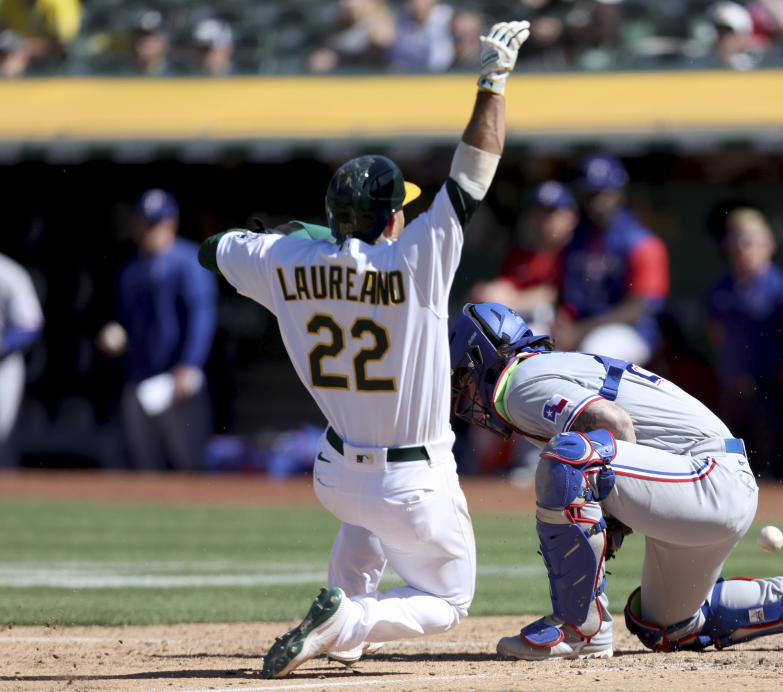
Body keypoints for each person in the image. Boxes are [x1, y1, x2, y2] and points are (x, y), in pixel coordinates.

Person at [197, 20, 530, 679]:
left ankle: (344, 615)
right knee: (450, 598)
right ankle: (348, 620)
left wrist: (317, 236)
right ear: (392, 220)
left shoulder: (283, 258)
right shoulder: (414, 256)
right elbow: (472, 176)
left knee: (366, 521)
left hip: (335, 475)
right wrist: (492, 83)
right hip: (412, 479)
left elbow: (215, 250)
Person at [449, 301, 783, 660]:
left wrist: (610, 511)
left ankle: (579, 629)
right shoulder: (549, 366)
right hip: (707, 485)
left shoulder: (517, 380)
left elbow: (608, 421)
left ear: (483, 357)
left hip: (707, 479)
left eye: (464, 380)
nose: (466, 397)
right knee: (667, 626)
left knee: (568, 457)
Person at [97, 189, 217, 471]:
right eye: (144, 223)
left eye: (155, 223)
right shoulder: (131, 270)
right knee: (145, 462)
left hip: (177, 377)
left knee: (189, 460)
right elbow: (128, 321)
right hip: (140, 378)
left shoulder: (188, 261)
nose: (149, 230)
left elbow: (202, 315)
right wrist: (115, 335)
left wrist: (189, 364)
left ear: (171, 223)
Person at [706, 207, 783, 481]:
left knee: (773, 459)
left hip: (771, 387)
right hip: (732, 389)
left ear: (769, 244)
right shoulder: (722, 289)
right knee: (733, 458)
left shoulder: (781, 288)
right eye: (738, 240)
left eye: (750, 240)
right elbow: (716, 335)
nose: (744, 248)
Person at [553, 153, 669, 366]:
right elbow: (560, 292)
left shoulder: (643, 242)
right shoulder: (574, 240)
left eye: (602, 193)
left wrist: (580, 330)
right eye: (589, 194)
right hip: (580, 327)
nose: (596, 201)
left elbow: (638, 308)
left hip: (631, 332)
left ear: (618, 193)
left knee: (595, 352)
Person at [470, 180, 578, 335]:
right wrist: (487, 293)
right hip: (526, 322)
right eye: (539, 211)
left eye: (551, 212)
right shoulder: (521, 255)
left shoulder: (577, 252)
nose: (542, 219)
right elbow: (504, 286)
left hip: (570, 328)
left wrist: (510, 302)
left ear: (571, 216)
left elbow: (553, 295)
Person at [0, 252, 44, 467]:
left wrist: (4, 343)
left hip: (3, 369)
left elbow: (31, 324)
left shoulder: (8, 272)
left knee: (2, 442)